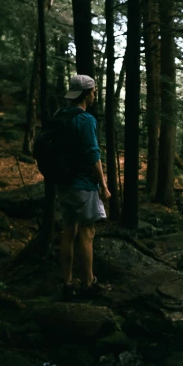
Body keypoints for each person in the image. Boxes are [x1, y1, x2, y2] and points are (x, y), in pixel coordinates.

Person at [57, 74, 111, 300]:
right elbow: (93, 155)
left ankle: (67, 283)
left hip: (63, 185)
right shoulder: (86, 120)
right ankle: (89, 283)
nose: (96, 94)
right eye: (94, 91)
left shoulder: (60, 116)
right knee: (87, 234)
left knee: (68, 233)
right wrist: (104, 186)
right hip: (83, 186)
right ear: (86, 93)